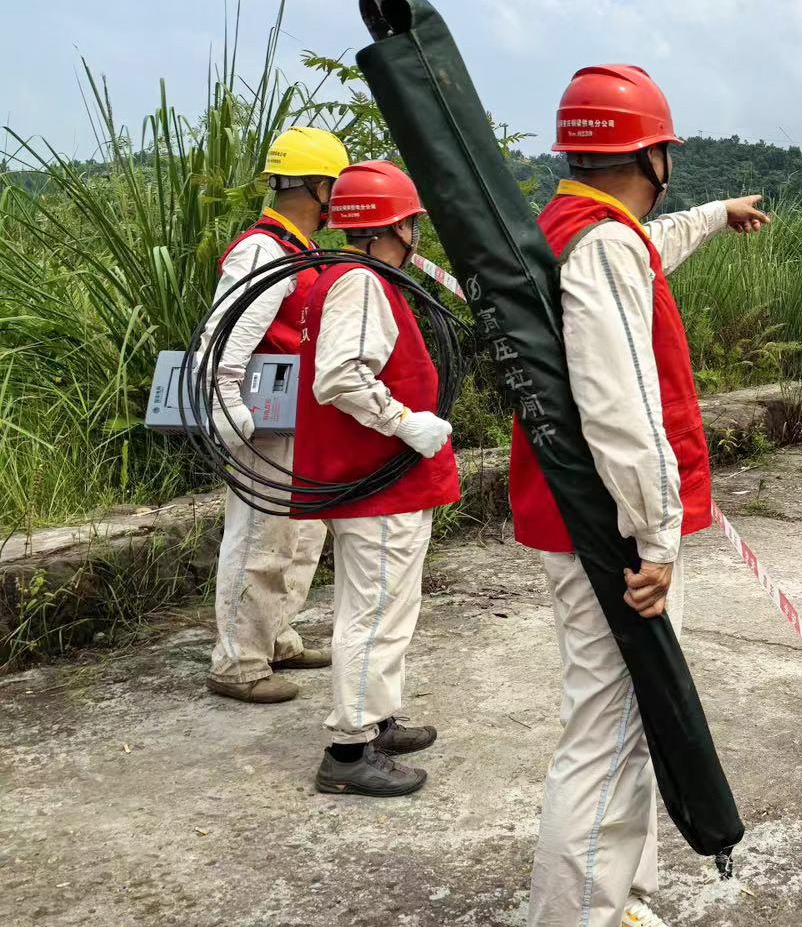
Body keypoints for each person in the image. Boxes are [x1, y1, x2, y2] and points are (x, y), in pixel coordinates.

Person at [509, 66, 769, 927]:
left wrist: (715, 216)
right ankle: (578, 914)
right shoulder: (608, 246)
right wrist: (657, 537)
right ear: (653, 154)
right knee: (614, 735)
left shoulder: (569, 228)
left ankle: (614, 900)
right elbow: (621, 407)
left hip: (580, 518)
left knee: (623, 721)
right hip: (614, 531)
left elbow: (647, 252)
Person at [294, 160, 460, 797]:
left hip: (374, 482)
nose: (416, 235)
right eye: (411, 223)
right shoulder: (361, 283)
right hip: (377, 483)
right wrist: (405, 423)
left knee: (382, 606)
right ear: (391, 227)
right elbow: (338, 377)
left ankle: (376, 717)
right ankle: (348, 750)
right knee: (375, 613)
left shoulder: (343, 276)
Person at [206, 125, 347, 704]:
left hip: (299, 413)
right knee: (260, 535)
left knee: (301, 532)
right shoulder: (264, 252)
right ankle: (238, 663)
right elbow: (226, 334)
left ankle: (275, 636)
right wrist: (226, 402)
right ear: (318, 186)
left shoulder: (299, 248)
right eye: (335, 186)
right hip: (262, 417)